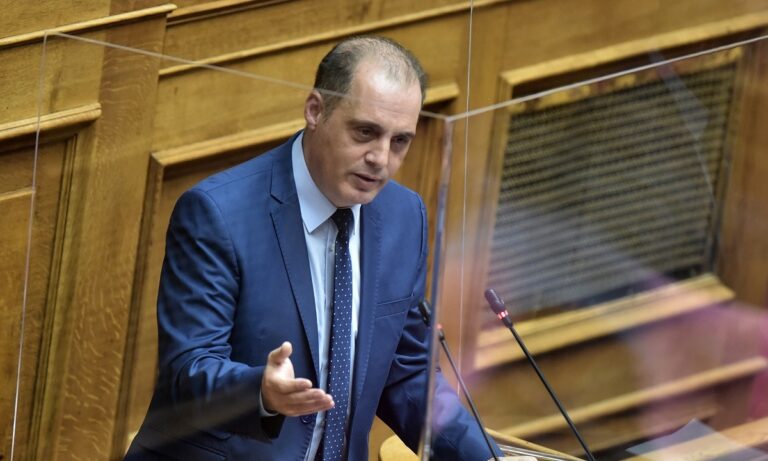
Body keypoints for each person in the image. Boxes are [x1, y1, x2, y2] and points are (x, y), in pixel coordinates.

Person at [125, 35, 503, 461]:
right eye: (365, 132)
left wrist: (488, 459)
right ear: (315, 111)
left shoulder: (403, 216)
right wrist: (261, 392)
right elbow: (187, 370)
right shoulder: (218, 214)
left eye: (400, 141)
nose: (381, 158)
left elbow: (407, 374)